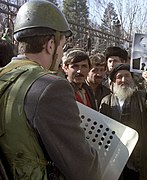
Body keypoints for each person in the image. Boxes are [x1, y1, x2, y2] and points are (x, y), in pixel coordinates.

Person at [0, 1, 100, 179]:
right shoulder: (50, 86)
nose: (61, 53)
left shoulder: (4, 75)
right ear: (50, 45)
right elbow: (84, 171)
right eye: (61, 46)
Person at [99, 63, 147, 180]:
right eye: (119, 77)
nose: (123, 80)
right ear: (112, 82)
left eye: (127, 76)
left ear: (132, 79)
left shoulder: (142, 97)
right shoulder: (106, 102)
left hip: (139, 159)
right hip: (116, 161)